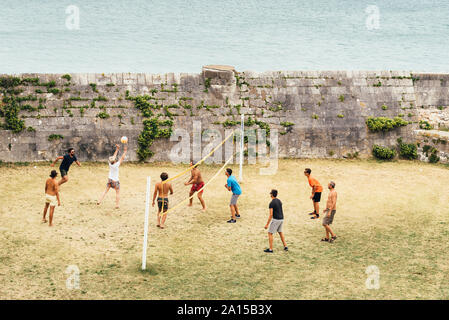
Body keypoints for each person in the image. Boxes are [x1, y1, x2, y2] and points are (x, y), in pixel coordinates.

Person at [97, 144, 127, 209]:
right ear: (115, 161)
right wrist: (125, 151)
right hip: (115, 181)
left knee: (105, 191)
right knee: (117, 192)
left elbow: (114, 156)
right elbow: (122, 158)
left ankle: (99, 201)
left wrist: (117, 149)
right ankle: (117, 205)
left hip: (110, 180)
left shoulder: (110, 163)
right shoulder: (116, 165)